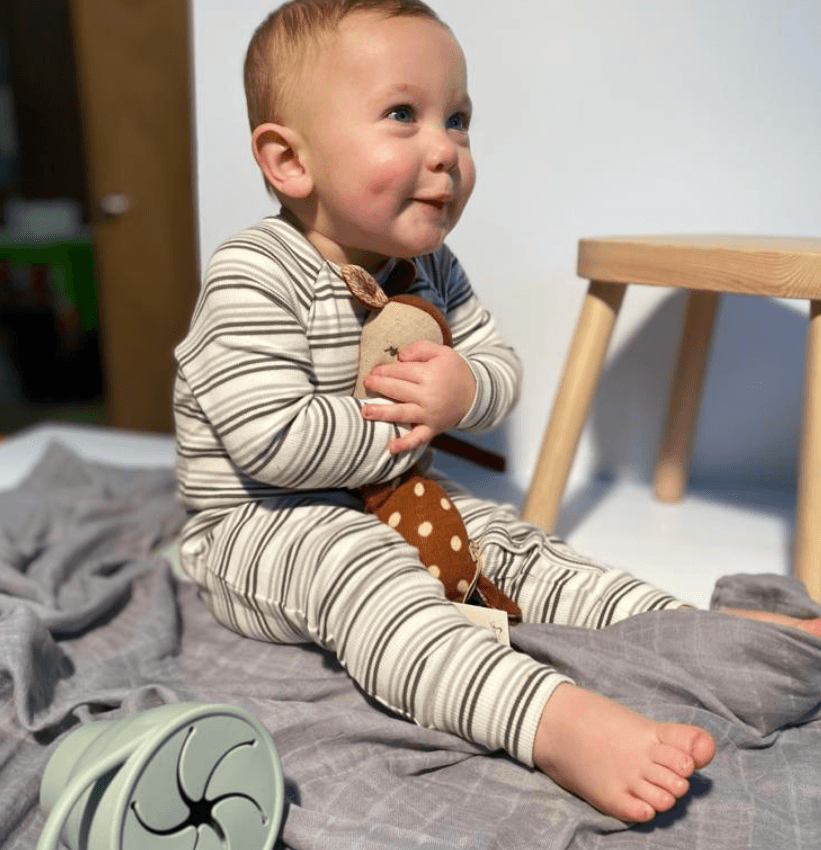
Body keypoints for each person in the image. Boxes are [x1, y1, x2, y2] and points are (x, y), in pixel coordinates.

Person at [173, 0, 821, 823]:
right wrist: (407, 426)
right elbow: (270, 443)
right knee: (372, 585)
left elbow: (497, 368)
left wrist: (464, 391)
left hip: (399, 498)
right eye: (403, 115)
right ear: (288, 160)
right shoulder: (253, 275)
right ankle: (550, 720)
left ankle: (694, 634)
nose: (445, 148)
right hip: (265, 524)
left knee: (524, 548)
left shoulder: (432, 264)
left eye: (460, 120)